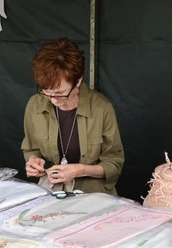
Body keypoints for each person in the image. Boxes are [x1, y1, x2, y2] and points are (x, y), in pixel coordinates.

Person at [21, 38, 124, 195]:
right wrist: (33, 161)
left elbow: (114, 164)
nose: (53, 100)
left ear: (78, 81)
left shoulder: (101, 108)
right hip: (51, 190)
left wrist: (80, 170)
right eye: (46, 92)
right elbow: (31, 148)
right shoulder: (35, 105)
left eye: (60, 93)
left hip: (93, 194)